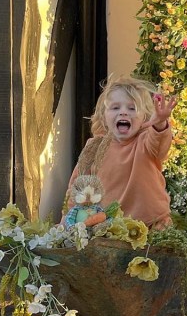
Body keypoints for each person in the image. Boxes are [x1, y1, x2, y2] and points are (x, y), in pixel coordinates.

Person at [65, 75, 177, 229]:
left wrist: (160, 123)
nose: (123, 112)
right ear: (104, 116)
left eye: (132, 108)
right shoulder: (95, 147)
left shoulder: (146, 141)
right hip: (108, 229)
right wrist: (66, 221)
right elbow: (77, 187)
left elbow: (160, 145)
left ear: (145, 117)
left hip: (152, 226)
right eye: (115, 107)